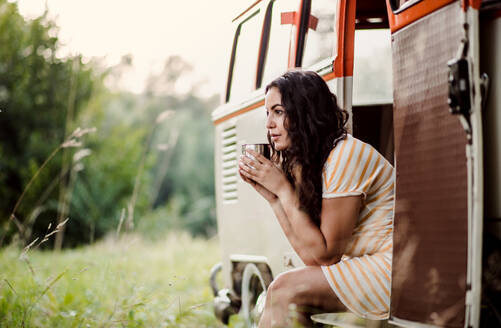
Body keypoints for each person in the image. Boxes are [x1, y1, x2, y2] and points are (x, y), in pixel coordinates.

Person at [238, 70, 394, 327]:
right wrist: (274, 198)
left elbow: (326, 257)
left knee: (282, 289)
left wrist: (284, 190)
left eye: (278, 111)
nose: (268, 124)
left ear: (304, 113)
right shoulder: (315, 161)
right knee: (287, 297)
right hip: (366, 265)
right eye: (268, 113)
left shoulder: (345, 155)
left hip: (393, 268)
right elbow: (311, 257)